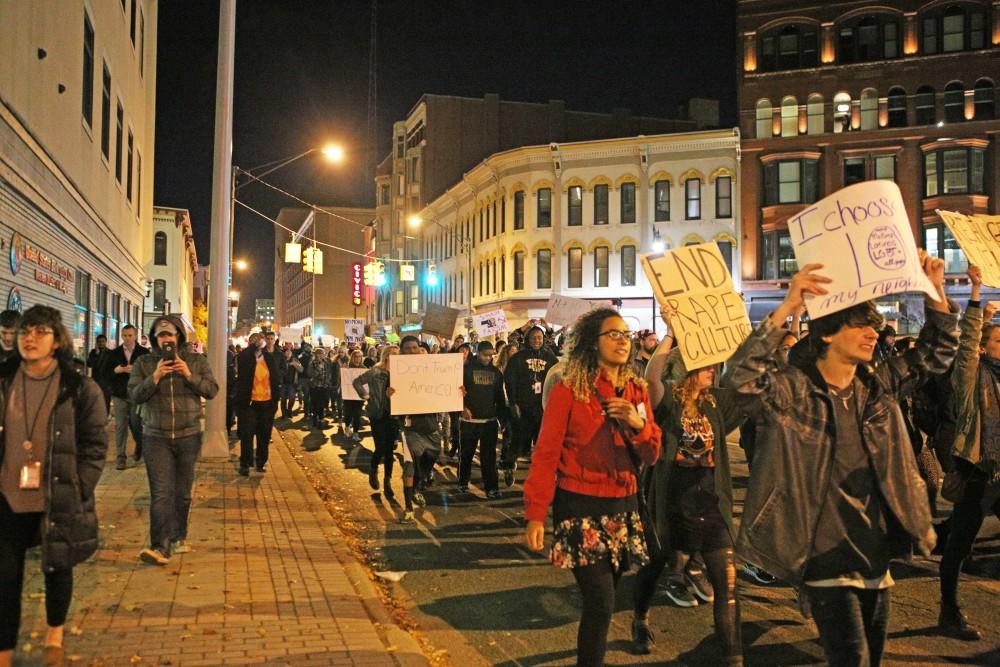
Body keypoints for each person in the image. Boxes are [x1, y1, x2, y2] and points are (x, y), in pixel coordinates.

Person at [723, 256, 958, 667]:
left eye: (875, 327)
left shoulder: (879, 386)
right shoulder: (793, 391)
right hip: (823, 558)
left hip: (875, 555)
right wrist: (787, 306)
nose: (874, 334)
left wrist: (934, 289)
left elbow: (936, 355)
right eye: (861, 326)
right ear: (829, 334)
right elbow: (740, 379)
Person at [524, 308, 660, 667]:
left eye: (625, 335)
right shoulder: (569, 389)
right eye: (612, 334)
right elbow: (546, 454)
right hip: (580, 508)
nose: (621, 340)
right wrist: (536, 514)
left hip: (623, 507)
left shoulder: (637, 390)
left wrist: (637, 423)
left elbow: (653, 453)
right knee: (601, 603)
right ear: (591, 342)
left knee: (607, 596)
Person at [0, 306, 107, 667]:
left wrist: (79, 486)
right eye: (25, 331)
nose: (30, 338)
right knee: (5, 576)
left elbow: (95, 445)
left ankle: (54, 636)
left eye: (40, 331)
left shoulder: (78, 387)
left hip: (56, 493)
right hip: (6, 497)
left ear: (57, 339)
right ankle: (4, 650)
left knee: (57, 568)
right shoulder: (3, 379)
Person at [633, 337, 744, 661]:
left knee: (728, 588)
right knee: (653, 568)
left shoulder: (715, 403)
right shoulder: (667, 401)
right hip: (671, 505)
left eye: (713, 364)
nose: (712, 370)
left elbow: (745, 381)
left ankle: (733, 659)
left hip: (710, 503)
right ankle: (640, 618)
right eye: (704, 364)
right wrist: (668, 334)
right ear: (685, 370)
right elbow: (652, 378)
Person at [936, 265, 999, 641]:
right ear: (983, 348)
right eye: (998, 342)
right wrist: (976, 296)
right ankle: (949, 610)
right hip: (977, 472)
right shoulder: (971, 377)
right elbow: (965, 347)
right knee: (960, 544)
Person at [129, 315, 218, 565]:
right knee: (161, 493)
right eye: (161, 335)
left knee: (182, 494)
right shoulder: (144, 363)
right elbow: (135, 395)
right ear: (155, 339)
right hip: (155, 437)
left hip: (188, 435)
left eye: (170, 335)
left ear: (179, 335)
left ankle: (178, 536)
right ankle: (160, 546)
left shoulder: (196, 361)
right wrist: (154, 377)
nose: (166, 340)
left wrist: (189, 374)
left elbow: (211, 390)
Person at [390, 336, 445, 523]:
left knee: (432, 456)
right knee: (409, 466)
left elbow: (443, 388)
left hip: (429, 426)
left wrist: (457, 391)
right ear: (402, 351)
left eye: (415, 348)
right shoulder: (396, 372)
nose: (412, 351)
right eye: (408, 348)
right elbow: (386, 400)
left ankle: (418, 485)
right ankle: (408, 509)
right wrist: (388, 394)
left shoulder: (432, 371)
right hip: (409, 427)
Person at [503, 325, 559, 482]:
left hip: (542, 407)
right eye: (533, 337)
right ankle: (509, 466)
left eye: (539, 338)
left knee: (542, 442)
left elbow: (558, 378)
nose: (537, 340)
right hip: (523, 407)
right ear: (528, 339)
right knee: (518, 440)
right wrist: (513, 403)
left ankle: (542, 475)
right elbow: (510, 381)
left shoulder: (550, 358)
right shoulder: (518, 358)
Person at [457, 341, 508, 498]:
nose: (487, 358)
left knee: (489, 457)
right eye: (484, 354)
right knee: (466, 454)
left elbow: (499, 398)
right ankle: (463, 482)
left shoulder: (496, 373)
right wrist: (463, 407)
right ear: (477, 353)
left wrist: (503, 420)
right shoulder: (465, 371)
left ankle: (491, 488)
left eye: (490, 355)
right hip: (469, 421)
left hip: (489, 422)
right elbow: (457, 392)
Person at [101, 324, 149, 469]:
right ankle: (120, 457)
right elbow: (105, 374)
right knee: (120, 425)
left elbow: (149, 373)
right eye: (125, 336)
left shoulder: (143, 353)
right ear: (121, 336)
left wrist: (136, 371)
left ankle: (139, 444)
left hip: (135, 395)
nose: (127, 338)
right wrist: (116, 370)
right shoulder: (114, 353)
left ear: (135, 336)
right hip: (119, 394)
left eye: (130, 335)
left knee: (135, 424)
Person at [354, 345, 399, 496]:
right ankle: (373, 470)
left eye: (397, 354)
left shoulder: (401, 372)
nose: (395, 356)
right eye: (392, 354)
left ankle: (387, 481)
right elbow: (357, 382)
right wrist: (366, 396)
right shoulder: (376, 371)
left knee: (389, 450)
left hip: (394, 415)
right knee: (380, 447)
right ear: (386, 355)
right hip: (377, 414)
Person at [234, 332, 280, 476]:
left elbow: (276, 380)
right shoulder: (245, 357)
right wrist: (252, 348)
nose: (258, 342)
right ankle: (245, 463)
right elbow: (242, 364)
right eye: (255, 340)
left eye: (260, 340)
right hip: (249, 403)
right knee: (247, 434)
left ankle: (260, 462)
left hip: (266, 403)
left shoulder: (269, 359)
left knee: (264, 434)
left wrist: (274, 402)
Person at [342, 349, 366, 444]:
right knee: (348, 412)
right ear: (352, 357)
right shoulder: (348, 367)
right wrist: (343, 370)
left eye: (359, 356)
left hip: (358, 395)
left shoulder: (363, 368)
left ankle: (356, 433)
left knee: (357, 414)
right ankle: (347, 427)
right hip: (348, 394)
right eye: (356, 356)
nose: (358, 358)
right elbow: (343, 380)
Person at [307, 347, 335, 428]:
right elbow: (310, 374)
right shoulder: (312, 362)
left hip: (324, 386)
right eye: (323, 353)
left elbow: (329, 373)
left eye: (324, 353)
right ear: (318, 354)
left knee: (322, 403)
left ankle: (321, 418)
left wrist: (327, 382)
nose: (325, 355)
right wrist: (319, 368)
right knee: (315, 403)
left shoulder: (326, 362)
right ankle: (315, 419)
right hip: (315, 386)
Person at [87, 334, 111, 413]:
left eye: (103, 341)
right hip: (96, 380)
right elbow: (89, 364)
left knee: (106, 400)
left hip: (106, 382)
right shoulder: (93, 352)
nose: (101, 343)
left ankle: (106, 416)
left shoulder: (110, 353)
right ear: (97, 342)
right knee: (96, 400)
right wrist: (96, 355)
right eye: (99, 342)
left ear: (106, 342)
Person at [279, 347, 302, 418]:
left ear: (292, 353)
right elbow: (277, 369)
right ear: (284, 353)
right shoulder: (281, 360)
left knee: (292, 398)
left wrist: (295, 364)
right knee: (283, 399)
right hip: (283, 383)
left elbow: (301, 369)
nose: (288, 353)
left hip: (292, 383)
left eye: (290, 352)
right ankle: (284, 413)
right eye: (287, 352)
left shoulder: (295, 360)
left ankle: (289, 411)